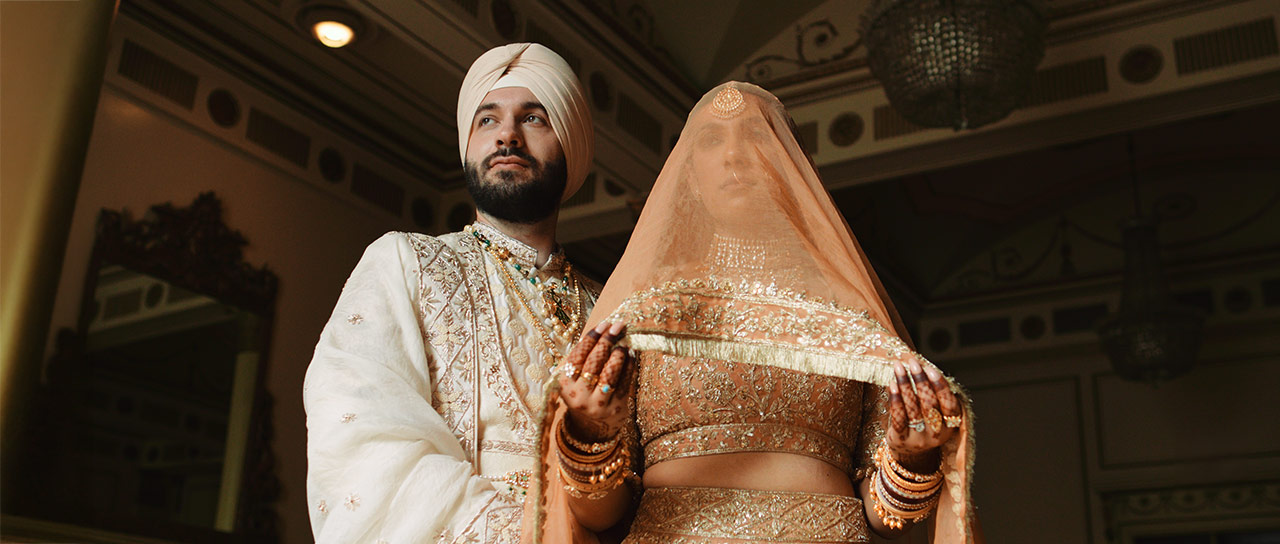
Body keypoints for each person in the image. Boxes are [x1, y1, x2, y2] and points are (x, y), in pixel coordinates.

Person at [531, 82, 976, 543]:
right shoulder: (647, 310)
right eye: (710, 140)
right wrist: (590, 433)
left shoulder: (849, 314)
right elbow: (601, 517)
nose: (733, 156)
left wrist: (913, 458)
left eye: (757, 138)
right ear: (690, 174)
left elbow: (886, 516)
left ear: (793, 169)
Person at [304, 43, 599, 543]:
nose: (507, 135)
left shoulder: (605, 304)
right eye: (487, 121)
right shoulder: (407, 263)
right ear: (467, 145)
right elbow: (361, 432)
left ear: (569, 145)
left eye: (533, 118)